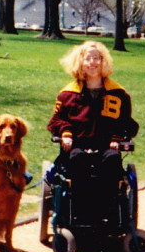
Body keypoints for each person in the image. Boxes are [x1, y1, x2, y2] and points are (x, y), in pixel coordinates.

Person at [47, 40, 139, 215]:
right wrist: (66, 132)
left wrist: (116, 137)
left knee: (112, 160)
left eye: (96, 58)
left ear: (103, 61)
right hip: (77, 146)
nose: (92, 63)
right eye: (87, 58)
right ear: (80, 62)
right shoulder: (67, 94)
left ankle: (108, 210)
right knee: (77, 159)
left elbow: (126, 122)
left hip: (106, 147)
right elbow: (56, 120)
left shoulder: (119, 94)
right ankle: (81, 211)